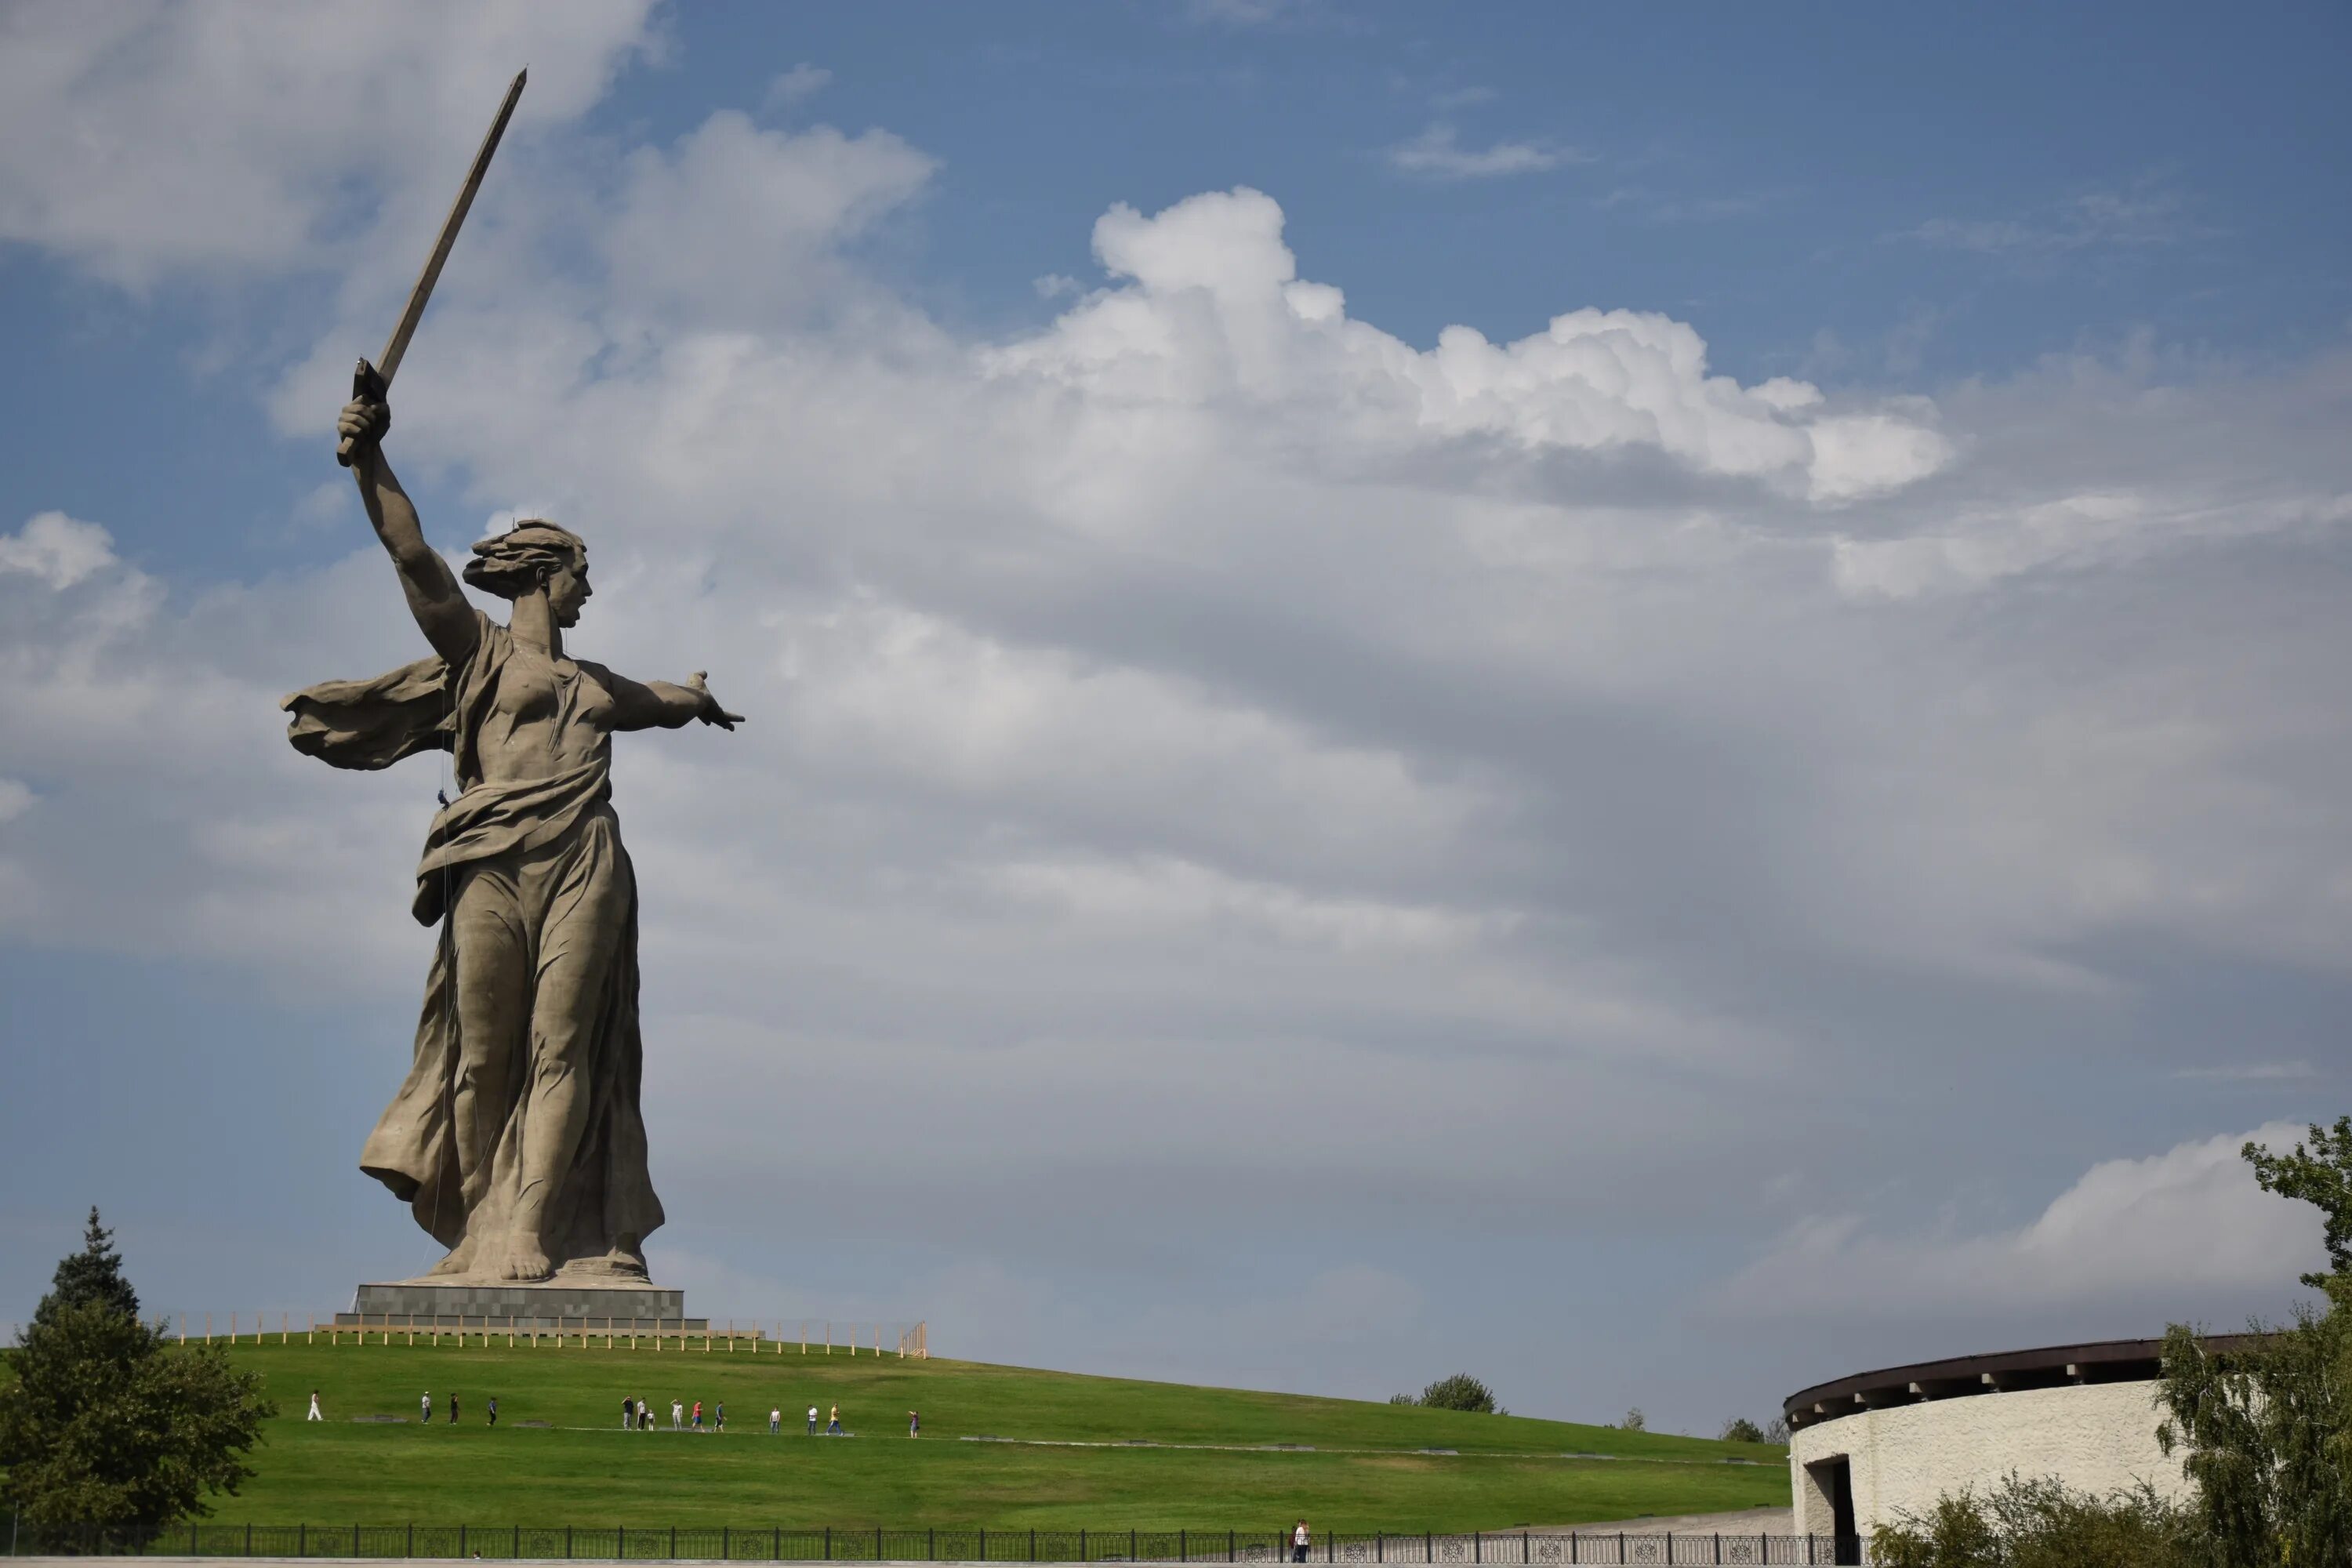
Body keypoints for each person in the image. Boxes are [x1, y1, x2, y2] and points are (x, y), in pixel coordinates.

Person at [306, 391, 741, 1287]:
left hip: (585, 859)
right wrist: (370, 461)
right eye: (582, 573)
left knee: (563, 1047)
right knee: (480, 1054)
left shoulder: (600, 683)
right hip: (490, 861)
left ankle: (533, 1228)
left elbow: (668, 700)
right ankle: (478, 1226)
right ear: (545, 574)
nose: (589, 590)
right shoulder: (481, 653)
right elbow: (412, 554)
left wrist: (699, 695)